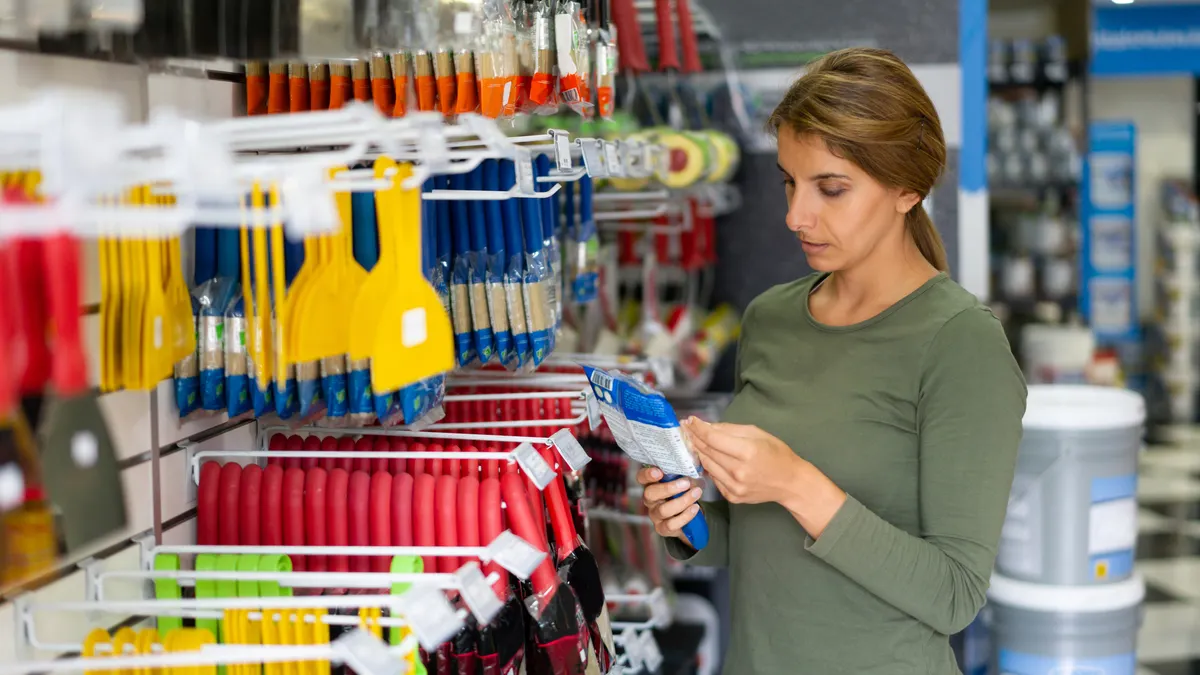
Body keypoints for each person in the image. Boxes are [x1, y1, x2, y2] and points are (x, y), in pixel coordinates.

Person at [639, 47, 1027, 674]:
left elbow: (955, 594)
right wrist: (687, 522)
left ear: (909, 189)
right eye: (790, 182)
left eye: (832, 188)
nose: (797, 216)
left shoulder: (960, 344)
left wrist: (796, 482)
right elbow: (766, 540)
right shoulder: (771, 318)